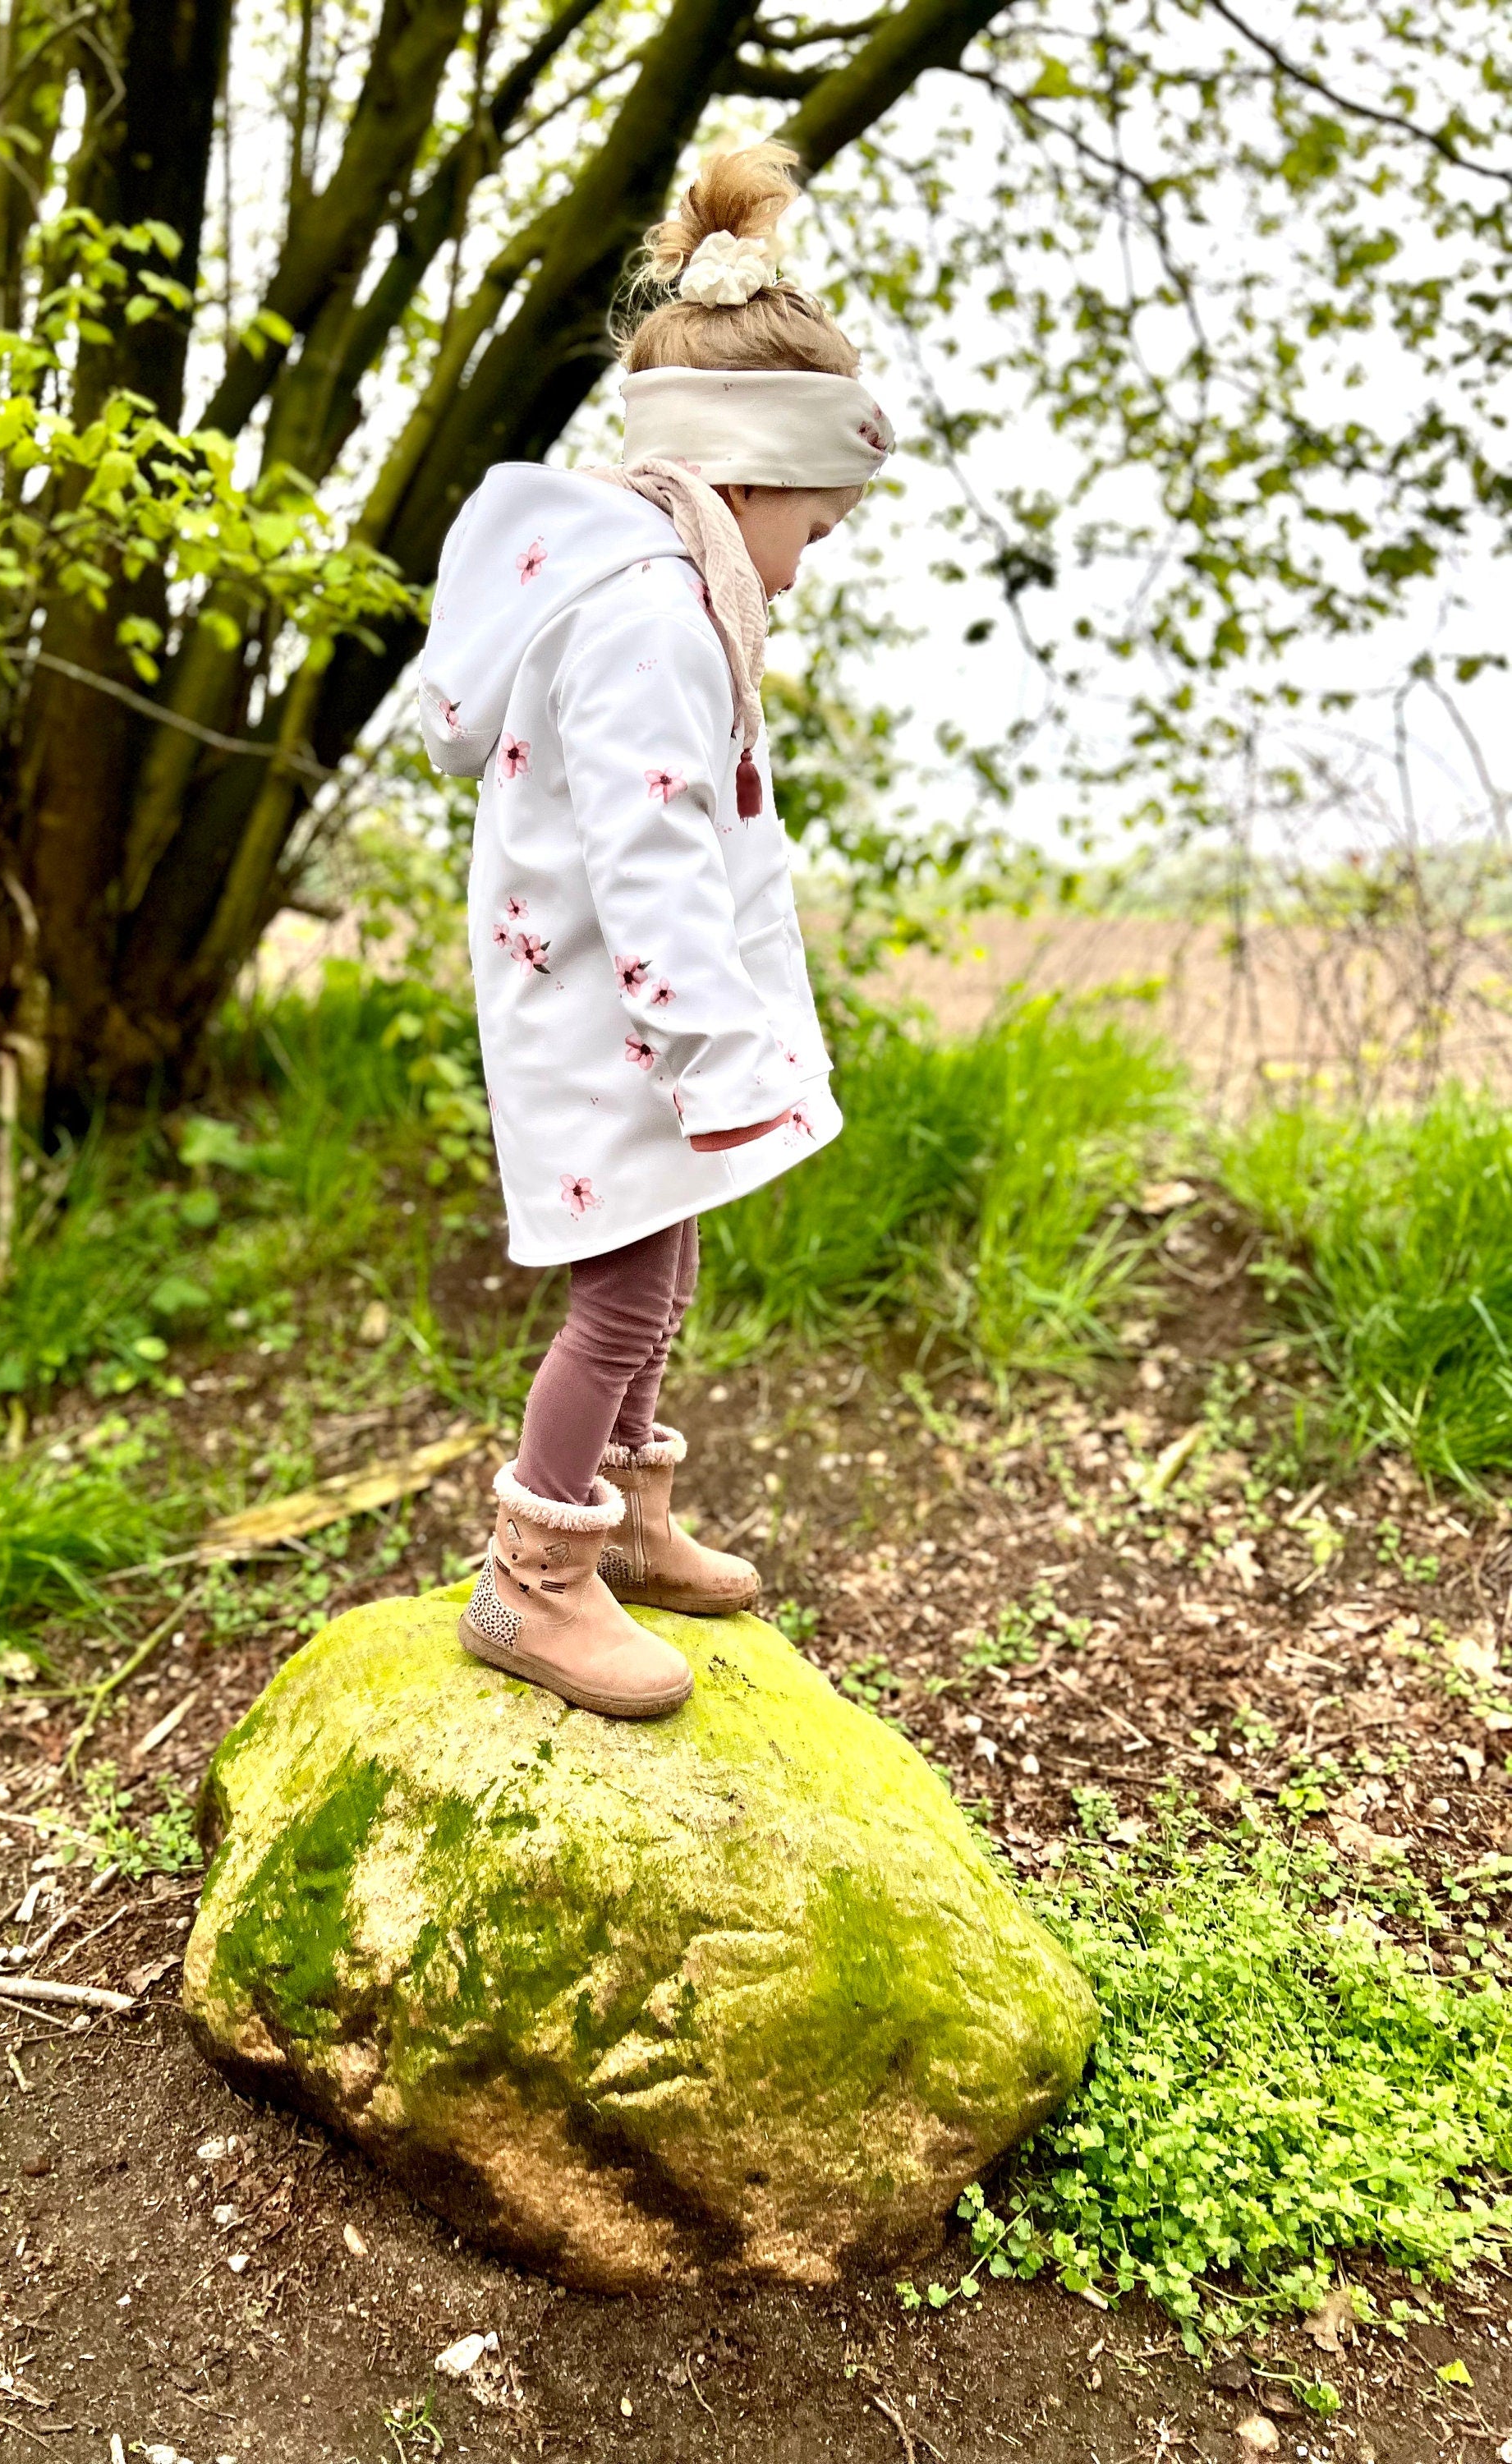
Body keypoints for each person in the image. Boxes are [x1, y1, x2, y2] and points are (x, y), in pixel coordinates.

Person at [419, 142, 891, 1721]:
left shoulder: (656, 589)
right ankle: (533, 1575)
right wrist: (715, 1051)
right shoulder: (646, 617)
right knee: (618, 1292)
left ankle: (624, 1520)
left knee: (661, 1265)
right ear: (743, 483)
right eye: (813, 527)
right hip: (609, 1016)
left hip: (623, 1010)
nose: (803, 569)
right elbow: (651, 856)